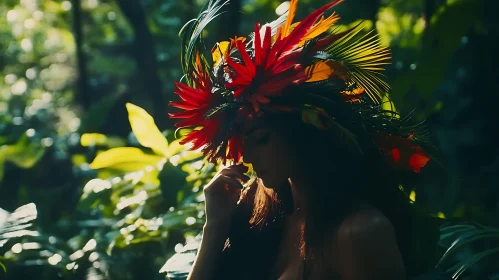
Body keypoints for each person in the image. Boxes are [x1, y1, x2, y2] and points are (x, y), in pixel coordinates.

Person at [166, 0, 442, 279]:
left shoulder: (358, 232)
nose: (247, 157)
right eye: (242, 141)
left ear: (303, 130)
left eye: (261, 139)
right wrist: (214, 228)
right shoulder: (254, 206)